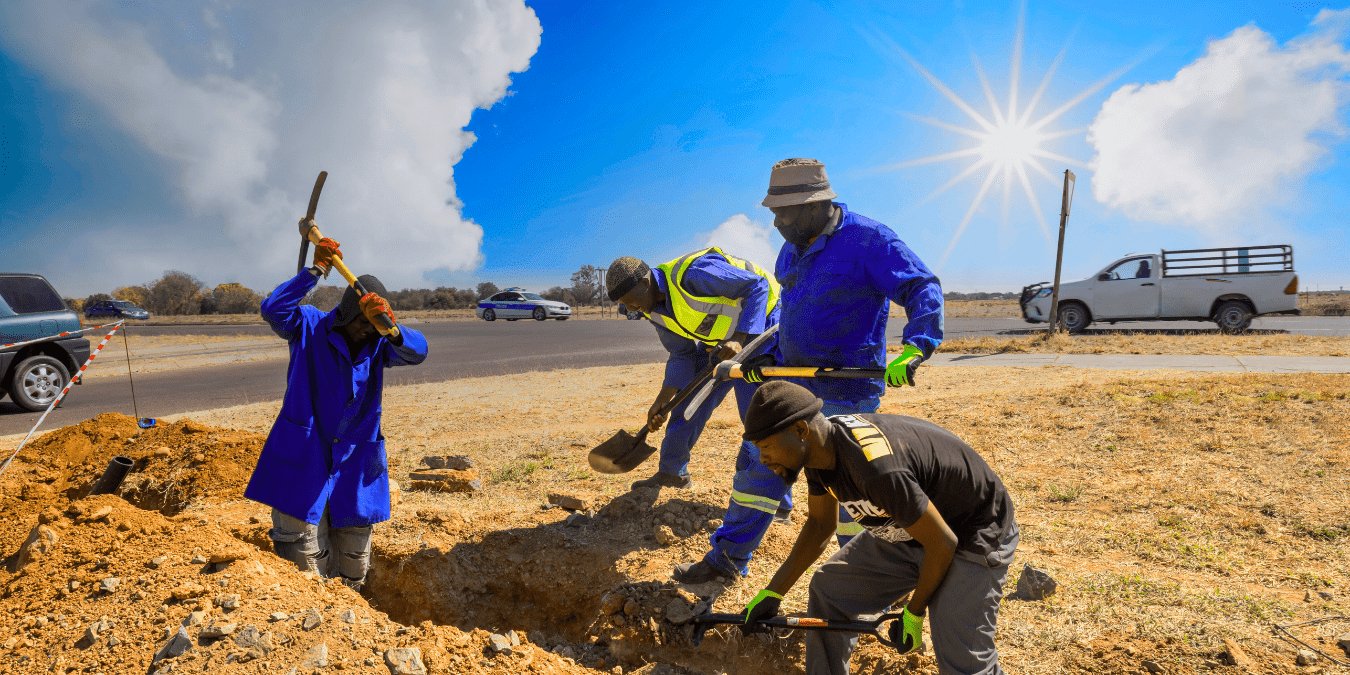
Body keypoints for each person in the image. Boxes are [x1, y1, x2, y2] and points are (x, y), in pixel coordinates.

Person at [739, 381, 1018, 675]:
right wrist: (773, 592)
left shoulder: (875, 468)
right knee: (830, 591)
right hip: (912, 530)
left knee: (961, 655)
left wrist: (914, 611)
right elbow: (821, 524)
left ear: (800, 431)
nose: (763, 458)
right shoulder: (819, 452)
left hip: (970, 533)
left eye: (767, 446)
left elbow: (943, 543)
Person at [747, 157, 944, 544]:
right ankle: (727, 560)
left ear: (815, 205)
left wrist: (915, 346)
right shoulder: (790, 250)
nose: (775, 223)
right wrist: (770, 355)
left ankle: (859, 580)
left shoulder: (870, 241)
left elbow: (922, 287)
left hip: (846, 391)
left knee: (849, 495)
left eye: (783, 214)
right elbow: (791, 313)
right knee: (758, 466)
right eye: (774, 213)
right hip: (795, 384)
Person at [244, 236, 428, 589]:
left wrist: (389, 328)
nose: (365, 332)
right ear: (344, 314)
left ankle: (352, 621)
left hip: (355, 464)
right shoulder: (308, 327)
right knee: (303, 557)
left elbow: (418, 351)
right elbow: (273, 309)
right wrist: (316, 271)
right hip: (303, 456)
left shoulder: (380, 344)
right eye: (362, 322)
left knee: (355, 557)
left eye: (372, 326)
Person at [606, 249, 785, 584]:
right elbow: (682, 353)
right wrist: (664, 397)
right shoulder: (650, 308)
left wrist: (739, 339)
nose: (631, 309)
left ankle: (779, 503)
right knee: (687, 406)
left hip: (764, 331)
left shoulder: (694, 275)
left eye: (632, 301)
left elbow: (758, 287)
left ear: (647, 282)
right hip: (718, 344)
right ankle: (673, 472)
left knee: (759, 421)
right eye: (626, 305)